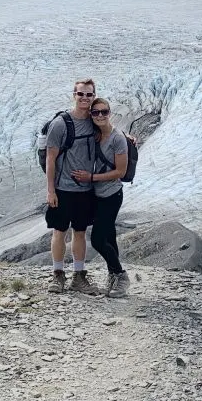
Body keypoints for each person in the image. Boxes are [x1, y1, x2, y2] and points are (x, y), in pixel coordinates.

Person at [45, 79, 103, 295]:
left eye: (89, 95)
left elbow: (109, 132)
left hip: (85, 189)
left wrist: (128, 138)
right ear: (74, 95)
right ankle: (58, 275)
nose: (85, 99)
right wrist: (50, 190)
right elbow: (51, 159)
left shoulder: (94, 119)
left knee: (80, 232)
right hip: (63, 188)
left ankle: (79, 276)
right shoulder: (60, 124)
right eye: (81, 94)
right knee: (59, 231)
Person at [72, 96, 130, 297]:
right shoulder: (95, 133)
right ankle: (113, 275)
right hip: (97, 195)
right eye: (95, 112)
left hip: (112, 195)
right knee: (109, 236)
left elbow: (120, 172)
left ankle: (121, 276)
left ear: (109, 113)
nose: (100, 115)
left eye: (104, 112)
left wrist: (91, 177)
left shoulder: (117, 138)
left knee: (97, 239)